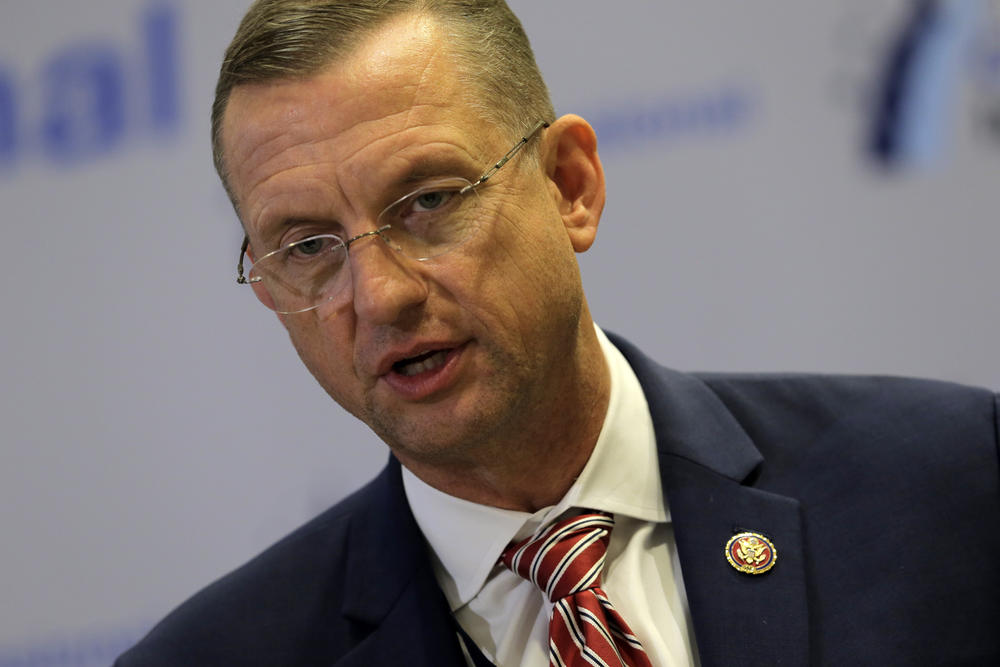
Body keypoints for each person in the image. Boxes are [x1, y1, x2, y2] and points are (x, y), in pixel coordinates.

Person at [116, 1, 1000, 665]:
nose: (379, 295)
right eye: (308, 246)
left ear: (570, 185)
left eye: (428, 201)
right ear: (267, 285)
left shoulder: (953, 483)